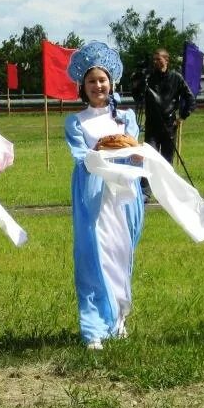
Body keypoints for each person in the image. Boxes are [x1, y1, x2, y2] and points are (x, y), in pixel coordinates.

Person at [63, 41, 144, 350]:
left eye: (102, 80)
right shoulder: (76, 122)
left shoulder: (126, 118)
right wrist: (100, 148)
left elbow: (133, 150)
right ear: (82, 86)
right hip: (94, 195)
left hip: (123, 194)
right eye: (91, 81)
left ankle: (119, 317)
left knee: (121, 255)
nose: (98, 85)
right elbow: (81, 156)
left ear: (111, 83)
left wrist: (137, 156)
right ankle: (94, 325)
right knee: (93, 256)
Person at [141, 48, 195, 164]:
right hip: (152, 126)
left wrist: (182, 117)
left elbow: (190, 98)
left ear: (166, 60)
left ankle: (166, 182)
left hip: (169, 126)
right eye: (154, 59)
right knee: (149, 160)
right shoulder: (148, 78)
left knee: (167, 161)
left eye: (158, 59)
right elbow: (138, 97)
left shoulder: (176, 77)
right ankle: (148, 182)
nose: (155, 62)